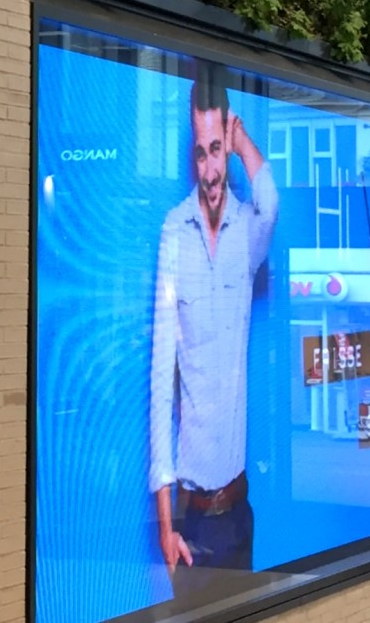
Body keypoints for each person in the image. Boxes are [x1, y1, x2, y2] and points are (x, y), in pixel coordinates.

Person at [150, 72, 279, 599]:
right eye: (200, 153)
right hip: (191, 519)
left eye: (218, 149)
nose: (209, 168)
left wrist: (244, 141)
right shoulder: (172, 233)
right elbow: (161, 378)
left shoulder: (247, 232)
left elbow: (271, 203)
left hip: (239, 511)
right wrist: (165, 523)